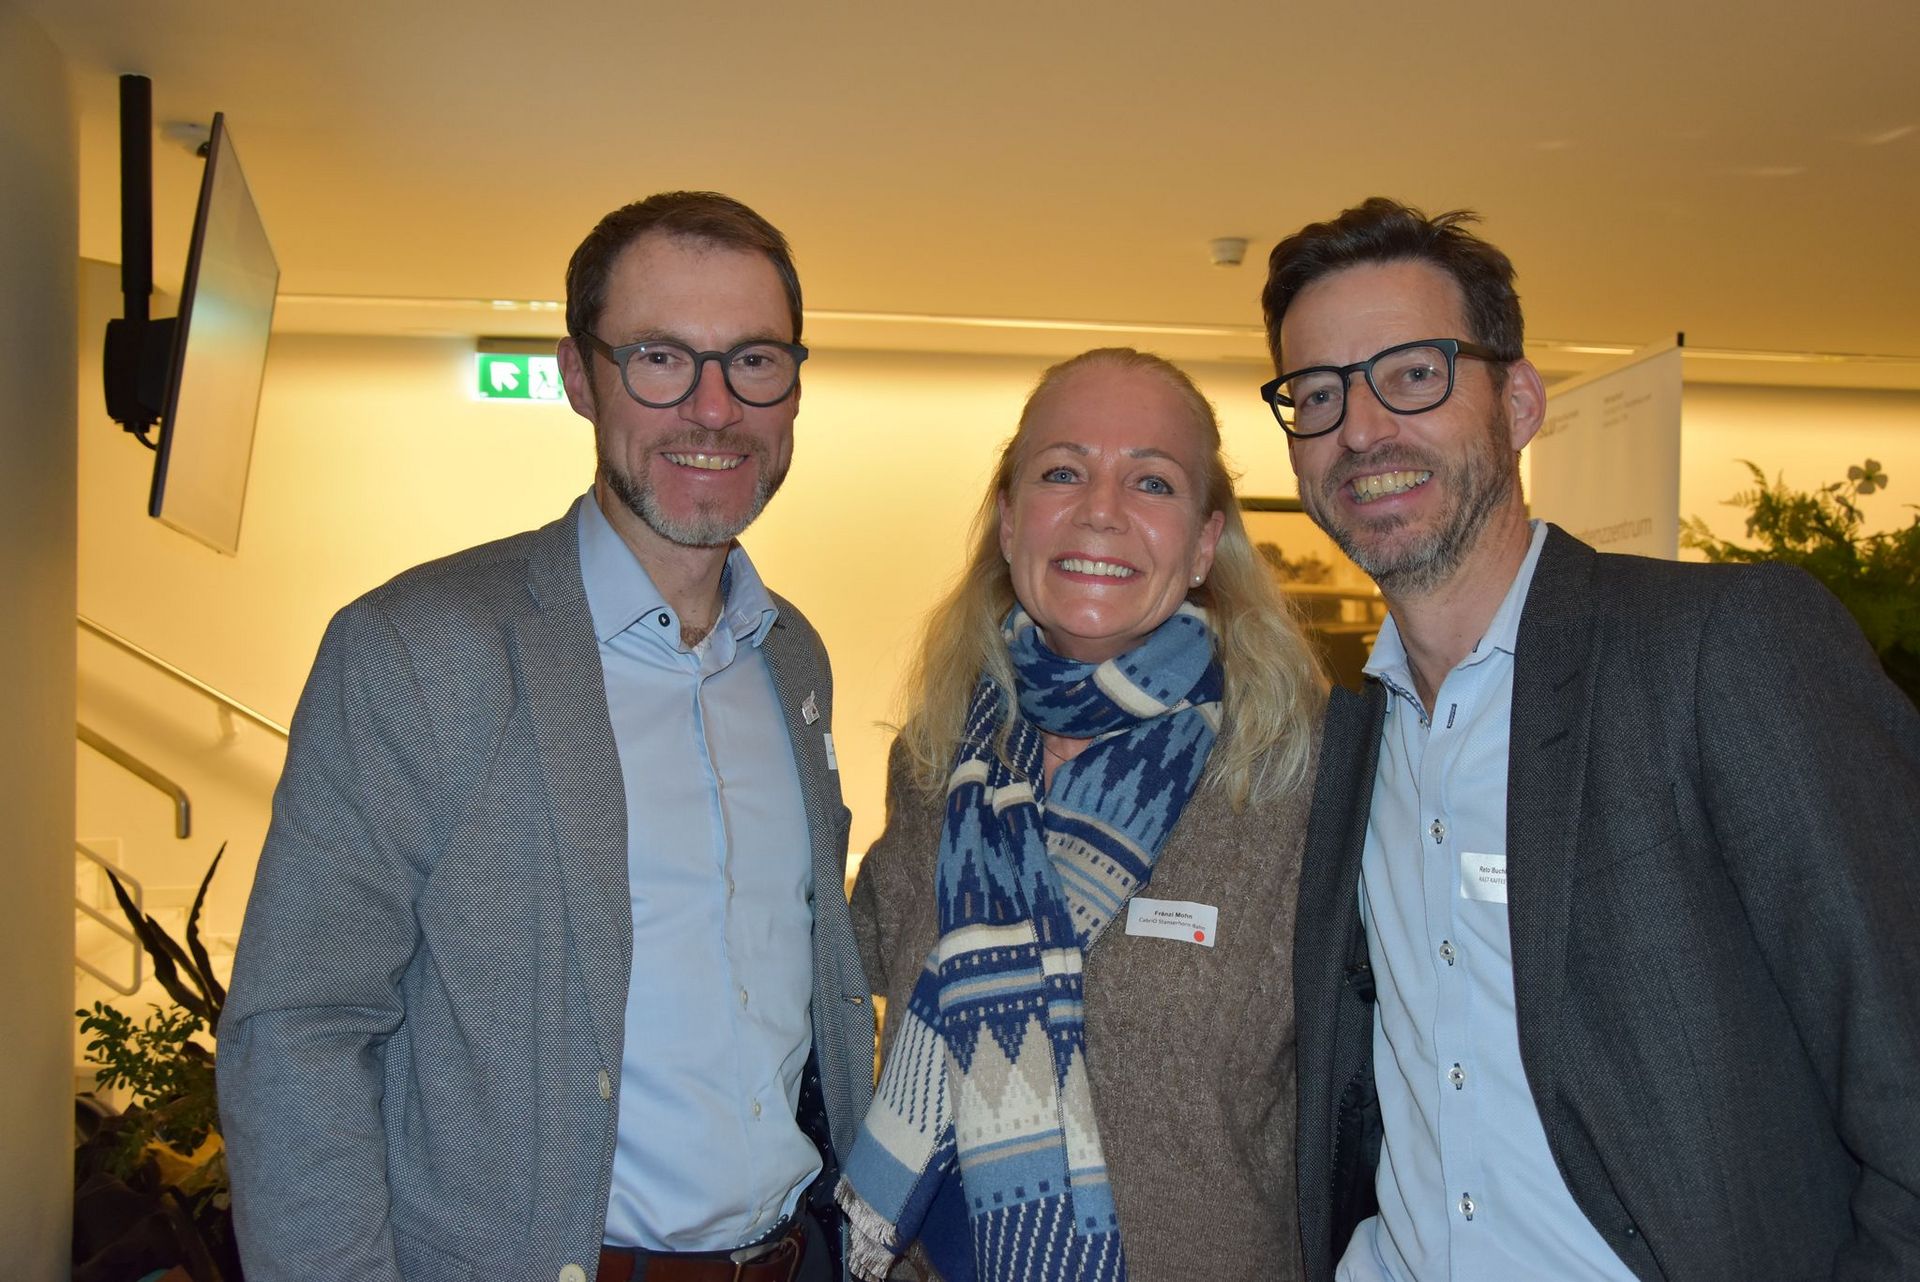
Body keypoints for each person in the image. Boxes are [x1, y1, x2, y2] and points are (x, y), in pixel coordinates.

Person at [218, 191, 873, 1282]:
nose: (714, 408)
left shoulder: (790, 656)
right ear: (579, 376)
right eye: (660, 359)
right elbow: (299, 1027)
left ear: (795, 385)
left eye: (754, 361)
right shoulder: (421, 649)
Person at [1263, 197, 1920, 1282]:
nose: (1363, 429)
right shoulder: (1347, 744)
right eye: (1319, 394)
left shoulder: (1720, 649)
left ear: (1518, 402)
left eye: (1414, 373)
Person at [838, 348, 1326, 1281]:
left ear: (1203, 544)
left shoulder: (1293, 778)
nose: (1101, 510)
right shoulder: (936, 763)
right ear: (1009, 520)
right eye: (1063, 472)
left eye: (1152, 481)